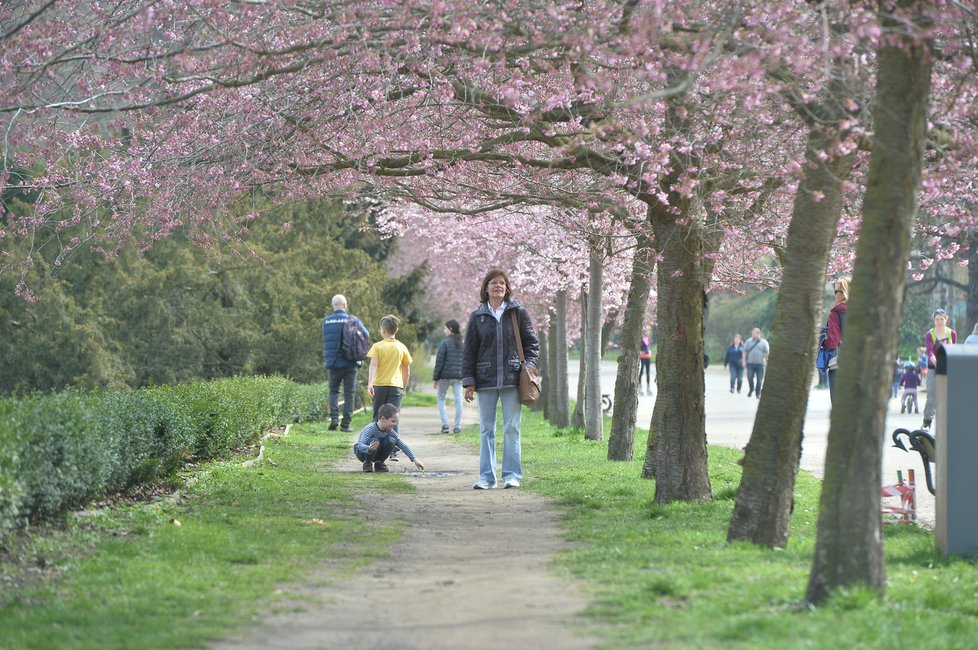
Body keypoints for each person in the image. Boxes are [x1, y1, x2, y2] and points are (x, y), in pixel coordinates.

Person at [462, 268, 539, 490]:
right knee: (486, 429)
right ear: (486, 288)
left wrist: (529, 366)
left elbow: (532, 344)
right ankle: (486, 477)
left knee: (511, 428)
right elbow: (470, 350)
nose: (498, 286)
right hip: (484, 380)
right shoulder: (477, 316)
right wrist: (469, 381)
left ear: (507, 288)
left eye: (502, 283)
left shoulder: (518, 313)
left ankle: (512, 475)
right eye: (494, 283)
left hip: (512, 378)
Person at [322, 294, 370, 433]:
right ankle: (345, 425)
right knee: (349, 393)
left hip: (333, 363)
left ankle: (334, 419)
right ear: (345, 305)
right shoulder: (352, 320)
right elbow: (366, 334)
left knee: (333, 391)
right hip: (350, 362)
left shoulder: (326, 321)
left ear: (333, 306)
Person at [353, 404, 425, 473]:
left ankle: (379, 463)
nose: (395, 424)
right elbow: (359, 445)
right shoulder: (370, 429)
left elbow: (402, 444)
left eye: (396, 421)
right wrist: (369, 448)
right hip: (363, 453)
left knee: (392, 440)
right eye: (393, 421)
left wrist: (414, 459)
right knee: (375, 440)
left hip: (376, 453)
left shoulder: (389, 430)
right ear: (383, 418)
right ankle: (367, 463)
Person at [922, 308, 957, 430]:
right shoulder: (929, 334)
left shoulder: (951, 333)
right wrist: (937, 363)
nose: (939, 322)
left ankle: (947, 422)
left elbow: (953, 350)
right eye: (937, 319)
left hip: (948, 367)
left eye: (942, 319)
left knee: (948, 395)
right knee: (931, 395)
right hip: (933, 367)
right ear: (934, 320)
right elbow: (930, 351)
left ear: (946, 319)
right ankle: (927, 421)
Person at [433, 319, 465, 434]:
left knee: (441, 398)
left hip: (445, 377)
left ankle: (445, 425)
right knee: (458, 400)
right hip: (458, 377)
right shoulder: (462, 343)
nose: (444, 330)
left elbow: (439, 362)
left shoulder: (444, 343)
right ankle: (457, 426)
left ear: (450, 329)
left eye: (445, 328)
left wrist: (435, 378)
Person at [820, 277, 849, 402]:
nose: (835, 293)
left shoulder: (835, 313)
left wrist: (821, 340)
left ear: (845, 293)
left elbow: (832, 342)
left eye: (838, 291)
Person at [743, 328, 769, 399]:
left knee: (759, 380)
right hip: (750, 363)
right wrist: (744, 361)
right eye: (752, 333)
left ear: (758, 334)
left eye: (754, 333)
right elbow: (744, 351)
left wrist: (766, 362)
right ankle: (751, 389)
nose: (752, 335)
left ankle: (758, 393)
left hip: (760, 364)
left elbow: (767, 353)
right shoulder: (748, 341)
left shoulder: (764, 342)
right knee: (750, 377)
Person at [638, 330, 653, 395]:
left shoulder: (648, 339)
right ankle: (640, 387)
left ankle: (648, 388)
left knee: (648, 372)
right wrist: (641, 351)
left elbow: (649, 347)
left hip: (648, 357)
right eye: (646, 331)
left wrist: (650, 351)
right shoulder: (641, 339)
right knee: (641, 372)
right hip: (642, 357)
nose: (648, 332)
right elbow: (639, 348)